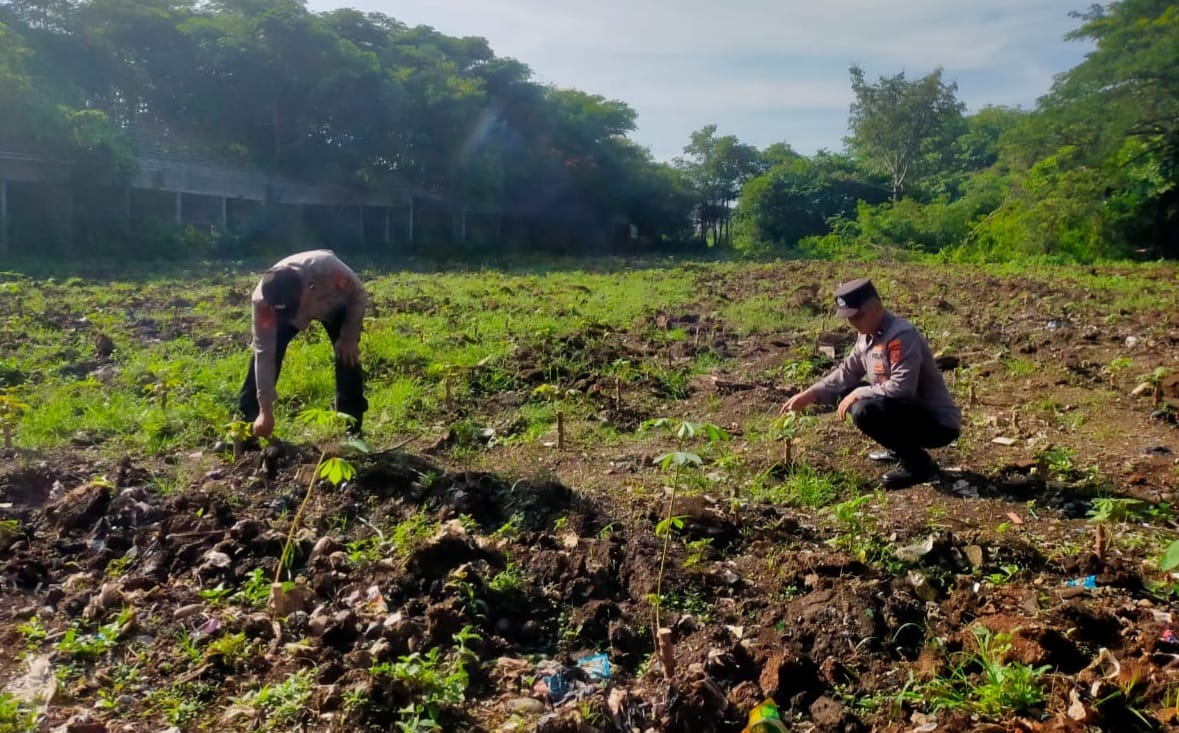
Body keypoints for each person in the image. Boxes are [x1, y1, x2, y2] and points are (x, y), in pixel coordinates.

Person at [781, 278, 960, 489]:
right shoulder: (866, 338)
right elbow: (846, 373)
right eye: (850, 318)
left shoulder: (900, 335)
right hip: (908, 413)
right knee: (847, 391)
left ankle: (919, 464)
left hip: (937, 423)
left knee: (864, 408)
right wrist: (810, 394)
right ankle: (899, 448)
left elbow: (903, 388)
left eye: (859, 316)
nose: (855, 323)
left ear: (876, 307)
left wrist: (861, 393)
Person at [238, 249, 368, 439]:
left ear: (308, 288)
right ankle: (249, 424)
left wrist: (349, 337)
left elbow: (358, 295)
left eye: (294, 309)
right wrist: (265, 409)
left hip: (333, 303)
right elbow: (264, 355)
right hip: (285, 312)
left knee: (348, 357)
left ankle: (353, 428)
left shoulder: (329, 270)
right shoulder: (264, 303)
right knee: (264, 356)